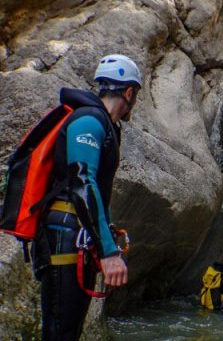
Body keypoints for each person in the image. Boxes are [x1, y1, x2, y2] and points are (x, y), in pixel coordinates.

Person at [31, 54, 142, 340]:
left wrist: (104, 233)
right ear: (129, 92)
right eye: (136, 95)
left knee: (67, 331)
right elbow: (82, 182)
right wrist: (108, 251)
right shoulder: (90, 120)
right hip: (65, 233)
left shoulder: (104, 124)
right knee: (60, 332)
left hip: (73, 232)